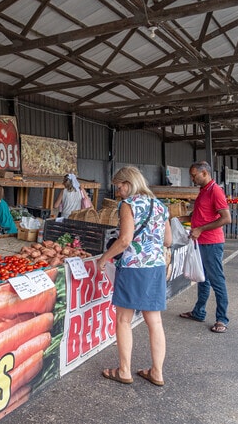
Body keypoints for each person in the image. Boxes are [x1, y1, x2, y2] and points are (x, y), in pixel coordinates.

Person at [97, 166, 172, 387]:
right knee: (155, 321)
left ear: (128, 184)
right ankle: (157, 373)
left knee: (123, 319)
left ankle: (124, 371)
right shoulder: (160, 205)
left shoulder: (128, 205)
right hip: (156, 268)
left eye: (119, 187)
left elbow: (124, 240)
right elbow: (167, 241)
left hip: (133, 268)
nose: (118, 192)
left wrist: (104, 258)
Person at [178, 161, 231, 334]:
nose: (192, 178)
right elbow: (201, 215)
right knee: (202, 279)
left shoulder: (215, 191)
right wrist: (181, 219)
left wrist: (200, 229)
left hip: (212, 242)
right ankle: (199, 312)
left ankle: (222, 319)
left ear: (205, 173)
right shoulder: (203, 191)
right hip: (200, 242)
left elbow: (226, 218)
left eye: (194, 175)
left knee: (217, 280)